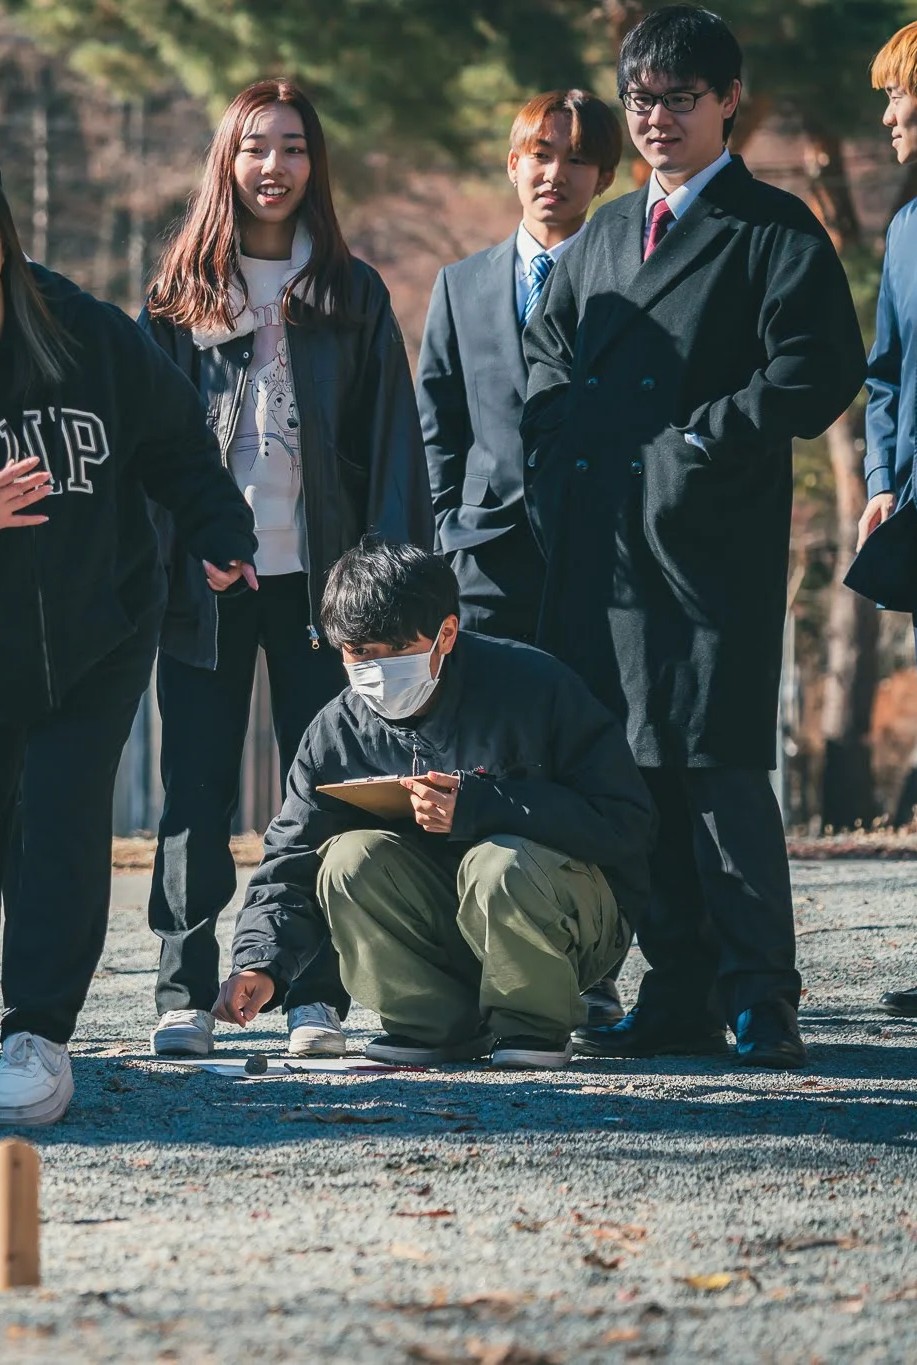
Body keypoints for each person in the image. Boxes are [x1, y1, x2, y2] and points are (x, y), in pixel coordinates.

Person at [0, 150, 255, 1127]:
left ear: (2, 236)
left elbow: (174, 443)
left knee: (63, 824)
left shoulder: (87, 333)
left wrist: (219, 533)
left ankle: (37, 1034)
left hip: (98, 629)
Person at [522, 5, 866, 1069]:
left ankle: (761, 993)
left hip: (706, 537)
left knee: (715, 767)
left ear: (728, 101)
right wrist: (554, 445)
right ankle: (676, 988)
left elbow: (817, 367)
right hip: (602, 548)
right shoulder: (605, 234)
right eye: (640, 99)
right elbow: (545, 351)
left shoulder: (772, 228)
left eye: (679, 97)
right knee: (634, 768)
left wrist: (703, 442)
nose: (656, 117)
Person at [138, 78, 430, 1061]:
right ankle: (182, 987)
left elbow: (393, 451)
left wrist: (378, 593)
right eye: (255, 146)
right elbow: (153, 452)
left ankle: (315, 992)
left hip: (321, 589)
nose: (274, 166)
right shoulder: (178, 293)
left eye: (294, 146)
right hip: (208, 584)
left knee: (330, 789)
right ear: (226, 160)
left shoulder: (350, 293)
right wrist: (187, 549)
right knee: (194, 789)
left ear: (316, 165)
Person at [213, 542, 652, 1070]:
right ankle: (432, 1023)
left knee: (500, 864)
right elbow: (292, 854)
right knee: (348, 858)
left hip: (569, 928)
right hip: (444, 933)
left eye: (394, 650)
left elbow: (625, 822)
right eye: (358, 653)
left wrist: (483, 806)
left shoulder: (536, 686)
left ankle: (533, 1026)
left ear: (446, 632)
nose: (375, 670)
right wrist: (261, 961)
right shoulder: (338, 731)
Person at [418, 89, 626, 1031]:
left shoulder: (630, 277)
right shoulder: (461, 284)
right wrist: (446, 522)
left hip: (602, 559)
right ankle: (493, 953)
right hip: (485, 559)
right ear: (512, 164)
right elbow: (438, 418)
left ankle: (594, 958)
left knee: (589, 748)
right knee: (491, 746)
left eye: (579, 159)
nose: (557, 173)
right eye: (540, 154)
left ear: (606, 176)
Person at [860, 17, 917, 1020]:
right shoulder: (907, 224)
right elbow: (884, 372)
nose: (887, 116)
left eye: (901, 98)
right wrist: (880, 476)